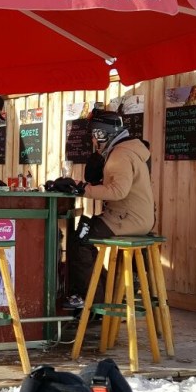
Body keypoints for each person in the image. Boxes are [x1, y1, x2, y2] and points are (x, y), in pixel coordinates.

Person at [64, 109, 155, 309]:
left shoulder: (120, 155)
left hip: (126, 219)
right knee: (85, 233)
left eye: (93, 135)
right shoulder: (130, 149)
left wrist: (82, 189)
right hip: (138, 218)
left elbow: (117, 191)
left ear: (101, 134)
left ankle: (93, 300)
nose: (92, 140)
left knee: (79, 241)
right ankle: (107, 293)